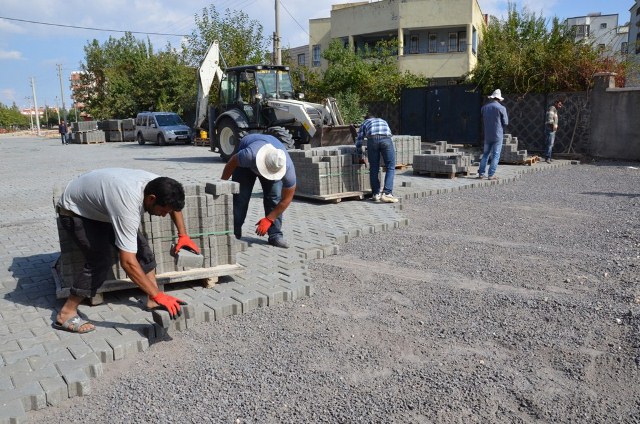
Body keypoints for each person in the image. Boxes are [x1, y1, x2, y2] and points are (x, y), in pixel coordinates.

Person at [54, 168, 200, 333]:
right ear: (151, 199)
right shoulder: (128, 205)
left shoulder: (160, 184)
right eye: (163, 210)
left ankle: (153, 299)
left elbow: (175, 207)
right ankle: (66, 313)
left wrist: (183, 235)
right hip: (76, 211)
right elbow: (128, 263)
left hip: (102, 204)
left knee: (143, 252)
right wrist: (160, 295)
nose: (165, 215)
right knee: (100, 262)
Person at [221, 134, 296, 249]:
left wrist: (269, 219)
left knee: (274, 198)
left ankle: (275, 235)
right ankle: (234, 232)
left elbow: (286, 199)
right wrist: (222, 185)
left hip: (269, 155)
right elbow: (231, 163)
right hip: (246, 165)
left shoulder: (287, 168)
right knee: (240, 198)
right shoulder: (248, 155)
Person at [355, 114, 398, 203]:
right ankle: (387, 193)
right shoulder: (383, 121)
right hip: (386, 139)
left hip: (372, 140)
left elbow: (359, 140)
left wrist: (359, 154)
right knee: (390, 166)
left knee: (374, 167)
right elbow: (389, 134)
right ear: (374, 117)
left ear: (366, 119)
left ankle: (376, 194)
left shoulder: (364, 123)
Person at [477, 89, 509, 180]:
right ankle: (491, 175)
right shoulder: (502, 108)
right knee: (495, 155)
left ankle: (481, 173)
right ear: (499, 99)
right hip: (498, 135)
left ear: (492, 98)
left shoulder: (484, 108)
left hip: (487, 135)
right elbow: (506, 122)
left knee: (485, 154)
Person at [544, 99, 563, 163]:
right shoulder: (552, 108)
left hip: (550, 127)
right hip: (550, 127)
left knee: (549, 143)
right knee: (550, 143)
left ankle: (548, 156)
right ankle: (548, 158)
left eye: (561, 105)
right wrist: (553, 126)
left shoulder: (554, 109)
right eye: (559, 104)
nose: (560, 106)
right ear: (555, 103)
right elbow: (549, 118)